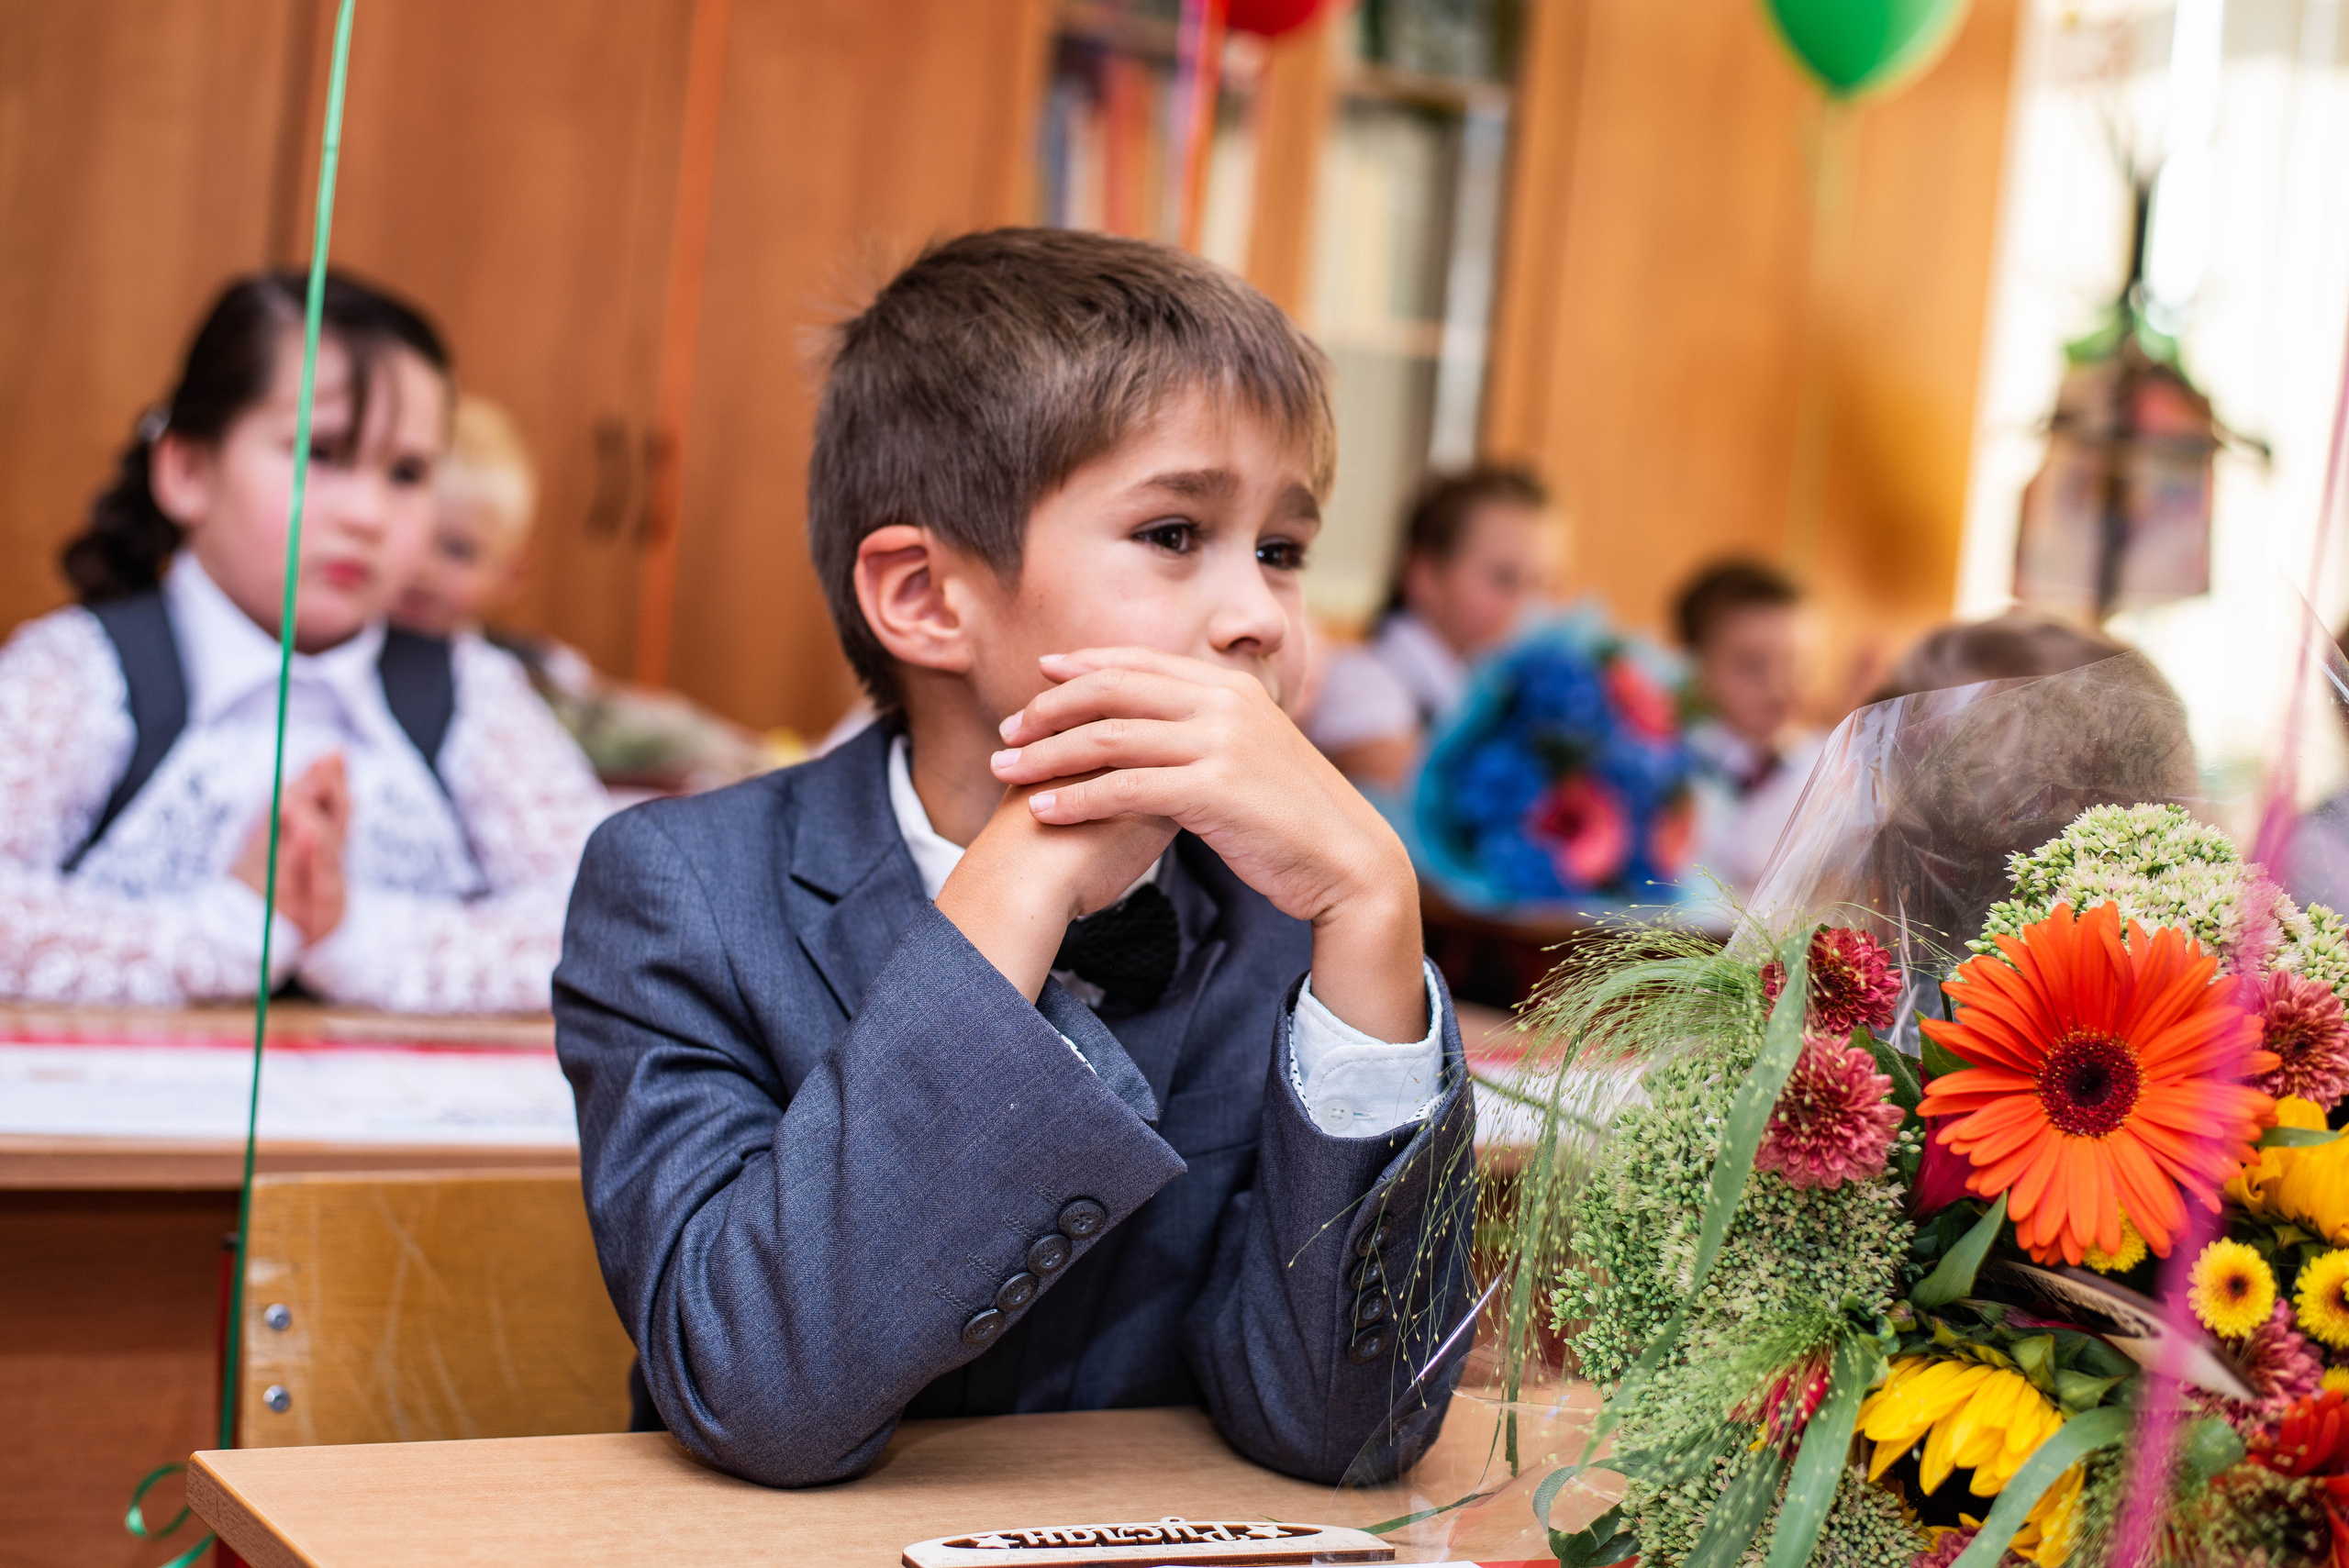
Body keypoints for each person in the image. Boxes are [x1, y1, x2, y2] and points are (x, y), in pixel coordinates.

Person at [554, 229, 1475, 1490]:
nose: (1260, 613)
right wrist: (1029, 868)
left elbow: (1346, 1432)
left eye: (1281, 549)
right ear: (928, 597)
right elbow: (763, 1392)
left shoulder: (1280, 922)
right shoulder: (683, 893)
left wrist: (1374, 906)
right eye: (1171, 532)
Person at [0, 271, 607, 1012]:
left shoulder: (469, 690)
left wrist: (358, 940)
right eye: (320, 453)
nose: (369, 514)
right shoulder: (80, 672)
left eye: (408, 472)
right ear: (189, 469)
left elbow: (614, 918)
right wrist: (223, 933)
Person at [394, 394, 779, 795]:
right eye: (411, 535)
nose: (423, 569)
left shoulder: (515, 675)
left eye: (457, 551)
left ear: (512, 574)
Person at [1304, 465, 1556, 789]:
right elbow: (1441, 807)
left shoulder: (1508, 694)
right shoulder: (1358, 682)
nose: (1531, 607)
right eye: (1504, 579)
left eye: (1545, 584)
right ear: (1424, 577)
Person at [1676, 558, 1820, 904]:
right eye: (1751, 666)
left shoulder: (1830, 762)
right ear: (1694, 665)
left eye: (1797, 665)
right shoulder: (1673, 766)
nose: (1779, 687)